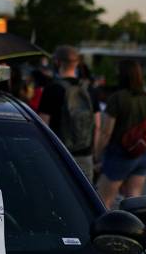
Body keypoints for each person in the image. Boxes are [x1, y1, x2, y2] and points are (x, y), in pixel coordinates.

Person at [95, 60, 146, 209]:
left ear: (122, 75)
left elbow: (106, 132)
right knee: (134, 201)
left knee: (103, 202)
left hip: (120, 155)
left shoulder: (117, 98)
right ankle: (134, 230)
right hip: (142, 152)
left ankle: (106, 232)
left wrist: (97, 155)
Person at [37, 46, 101, 179]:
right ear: (77, 63)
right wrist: (93, 153)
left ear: (58, 62)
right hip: (85, 154)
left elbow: (43, 125)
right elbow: (97, 125)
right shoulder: (89, 89)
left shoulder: (52, 89)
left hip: (59, 155)